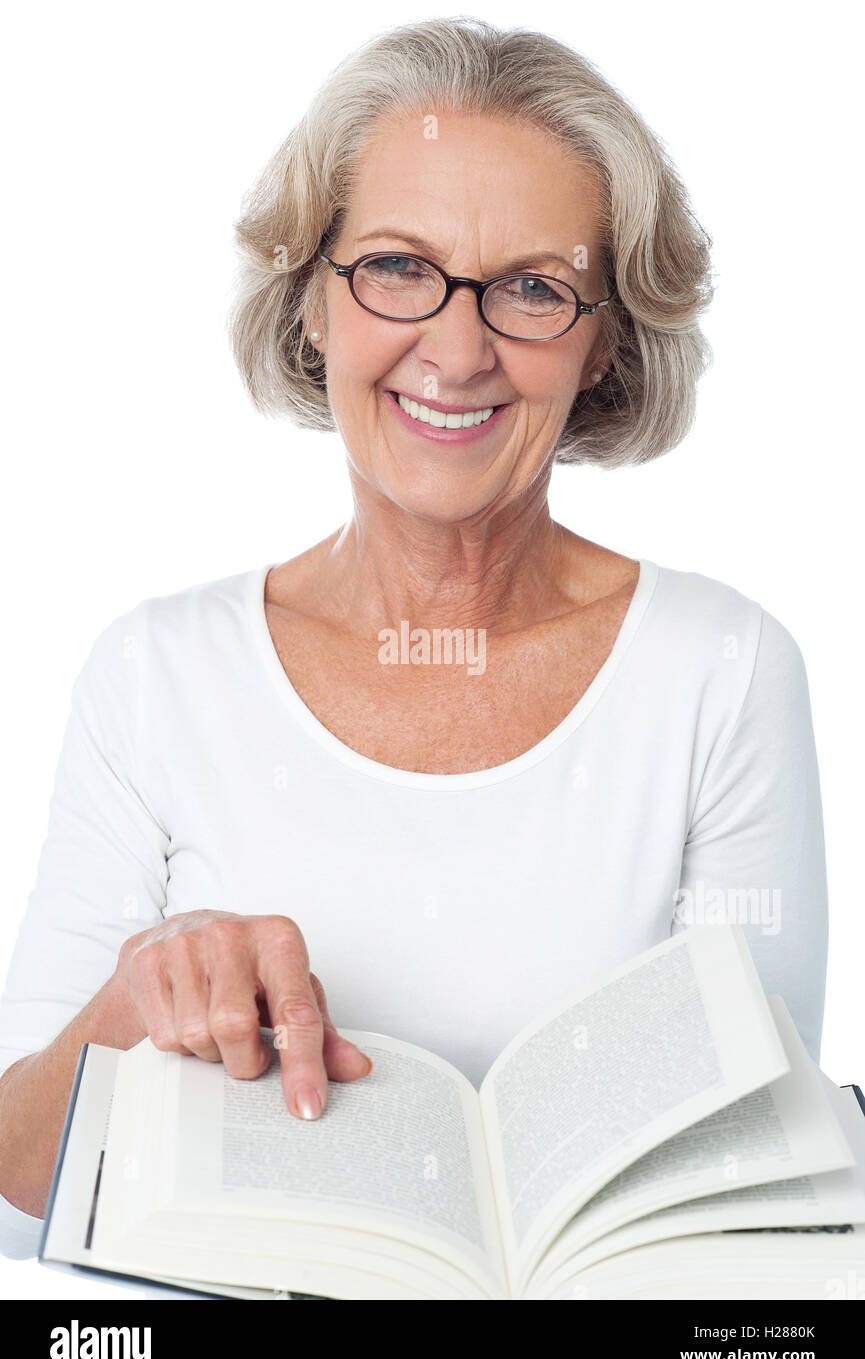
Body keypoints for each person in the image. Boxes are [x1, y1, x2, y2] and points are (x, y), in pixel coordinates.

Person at [0, 17, 827, 1263]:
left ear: (604, 341)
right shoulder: (152, 676)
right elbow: (14, 1192)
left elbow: (746, 1198)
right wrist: (133, 1004)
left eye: (534, 288)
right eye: (396, 267)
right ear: (315, 302)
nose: (454, 349)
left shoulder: (722, 670)